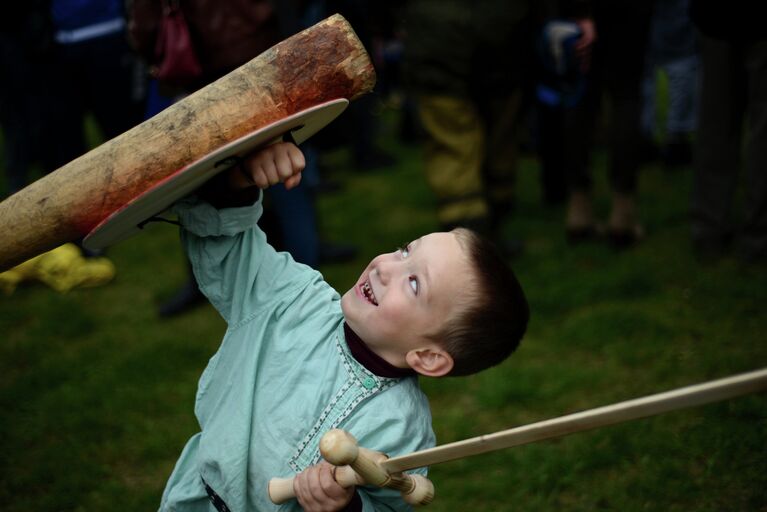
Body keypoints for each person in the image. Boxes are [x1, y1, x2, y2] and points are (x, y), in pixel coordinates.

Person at [159, 142, 530, 511]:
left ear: (429, 357)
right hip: (194, 498)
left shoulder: (402, 429)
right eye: (405, 250)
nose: (386, 267)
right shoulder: (292, 299)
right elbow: (227, 246)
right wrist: (240, 179)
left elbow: (385, 505)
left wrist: (343, 506)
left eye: (414, 283)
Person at [689, 0, 767, 263]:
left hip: (716, 18)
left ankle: (708, 228)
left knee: (716, 124)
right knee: (760, 132)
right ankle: (758, 236)